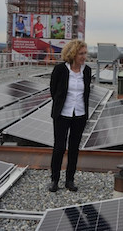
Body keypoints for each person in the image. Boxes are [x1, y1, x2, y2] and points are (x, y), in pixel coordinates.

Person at [49, 39, 91, 192]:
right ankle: (54, 180)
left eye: (85, 53)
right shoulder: (60, 70)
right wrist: (61, 107)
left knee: (74, 148)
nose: (84, 56)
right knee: (59, 147)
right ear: (73, 54)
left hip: (79, 114)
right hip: (62, 114)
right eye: (81, 53)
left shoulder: (87, 70)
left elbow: (86, 93)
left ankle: (70, 180)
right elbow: (54, 91)